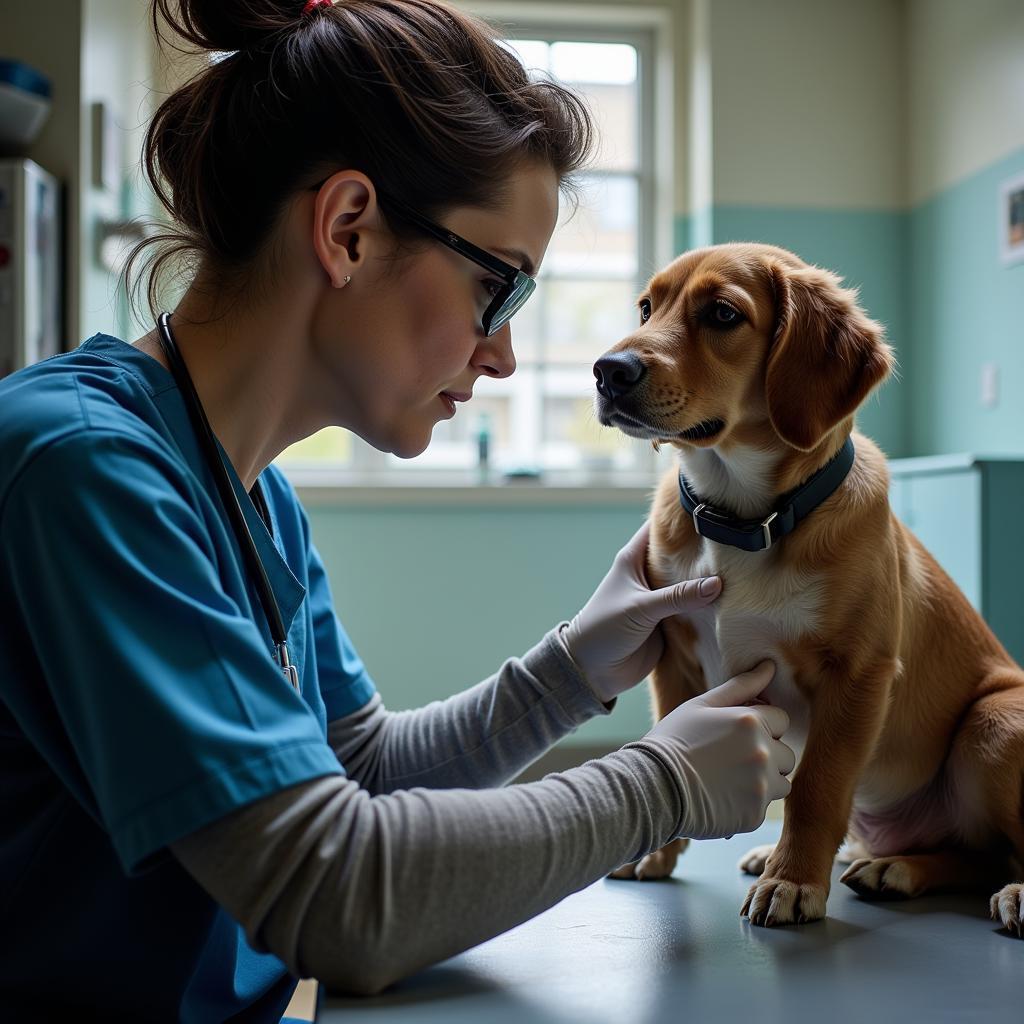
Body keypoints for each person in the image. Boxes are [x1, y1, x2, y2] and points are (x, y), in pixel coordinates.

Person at [0, 0, 795, 1019]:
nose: (502, 352)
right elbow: (333, 893)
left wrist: (572, 670)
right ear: (348, 230)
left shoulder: (253, 495)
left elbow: (360, 772)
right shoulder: (81, 470)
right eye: (497, 290)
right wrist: (660, 785)